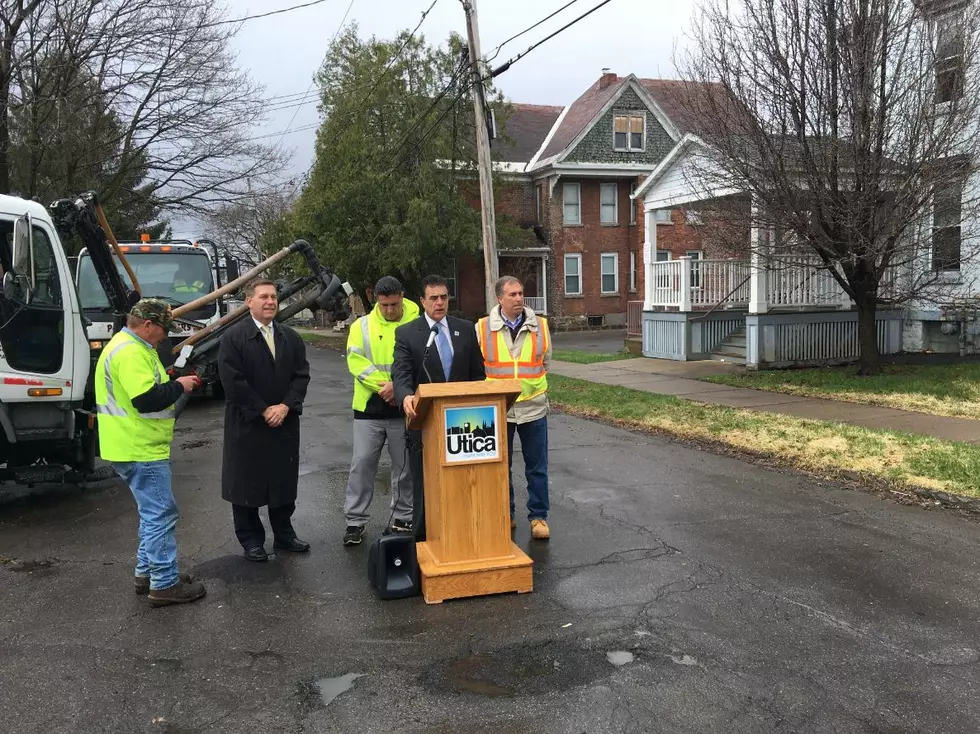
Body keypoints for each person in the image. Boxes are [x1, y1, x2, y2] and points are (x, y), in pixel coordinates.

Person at [95, 298, 206, 607]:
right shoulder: (130, 351)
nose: (164, 336)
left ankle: (148, 573)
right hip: (140, 446)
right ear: (146, 325)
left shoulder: (129, 346)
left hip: (132, 444)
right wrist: (181, 385)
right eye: (162, 330)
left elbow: (147, 388)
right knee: (161, 514)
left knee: (151, 514)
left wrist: (171, 379)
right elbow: (145, 399)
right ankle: (164, 583)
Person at [217, 278, 311, 562]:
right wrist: (262, 409)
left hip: (283, 423)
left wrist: (285, 406)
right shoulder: (233, 338)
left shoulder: (290, 338)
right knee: (246, 483)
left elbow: (301, 376)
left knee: (282, 481)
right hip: (248, 425)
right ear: (249, 302)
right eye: (263, 297)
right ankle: (252, 540)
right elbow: (233, 381)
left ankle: (284, 534)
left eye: (273, 297)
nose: (270, 301)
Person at [391, 274, 486, 541]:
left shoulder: (465, 329)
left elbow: (478, 375)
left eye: (444, 297)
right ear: (422, 301)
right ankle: (424, 540)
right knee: (425, 486)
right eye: (433, 298)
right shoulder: (408, 333)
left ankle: (465, 535)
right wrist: (406, 396)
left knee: (463, 483)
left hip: (464, 424)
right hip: (425, 424)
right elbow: (401, 374)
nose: (440, 302)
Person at [342, 276, 420, 546]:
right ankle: (355, 520)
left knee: (404, 468)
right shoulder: (362, 325)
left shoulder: (417, 320)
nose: (389, 310)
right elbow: (356, 360)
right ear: (376, 299)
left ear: (402, 296)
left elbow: (421, 359)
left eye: (394, 304)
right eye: (384, 305)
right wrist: (384, 387)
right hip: (369, 409)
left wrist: (398, 389)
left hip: (404, 410)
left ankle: (402, 517)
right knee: (362, 464)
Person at [476, 276, 552, 540]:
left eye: (521, 293)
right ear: (500, 298)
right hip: (499, 410)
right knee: (499, 467)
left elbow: (545, 363)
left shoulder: (540, 326)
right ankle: (504, 515)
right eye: (513, 295)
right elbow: (479, 368)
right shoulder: (483, 327)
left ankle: (539, 517)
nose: (519, 298)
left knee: (537, 467)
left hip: (533, 409)